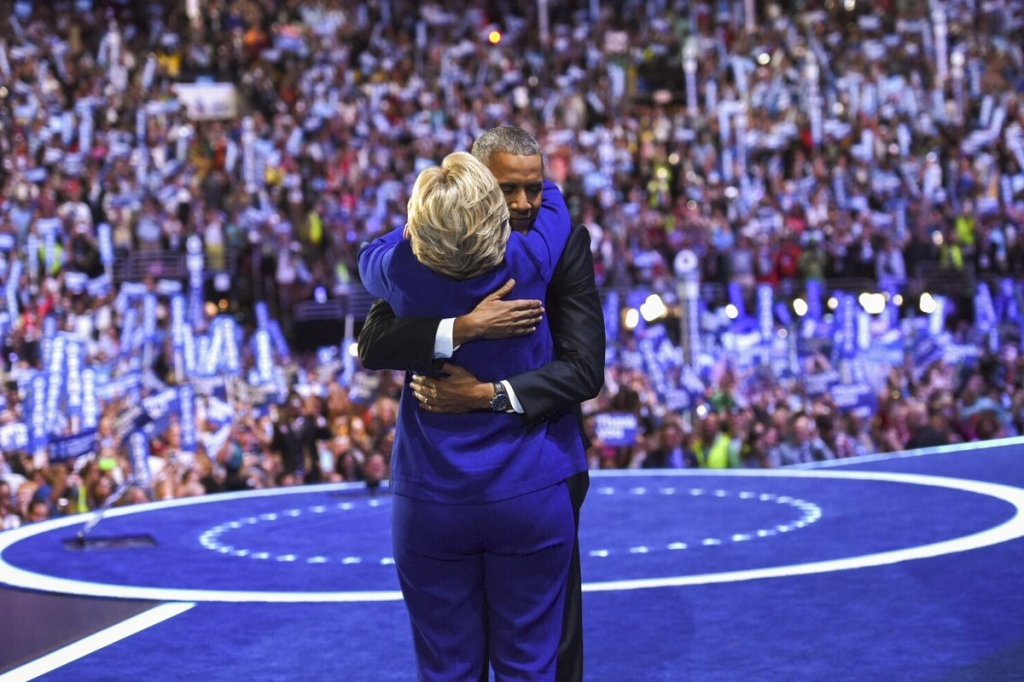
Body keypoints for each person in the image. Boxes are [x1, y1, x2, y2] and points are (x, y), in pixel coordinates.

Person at [358, 125, 604, 681]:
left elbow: (586, 370)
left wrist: (485, 391)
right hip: (531, 483)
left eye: (534, 190)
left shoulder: (404, 262)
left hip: (438, 490)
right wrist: (463, 326)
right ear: (477, 187)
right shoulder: (536, 253)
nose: (524, 203)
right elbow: (374, 345)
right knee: (531, 660)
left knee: (449, 665)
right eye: (506, 190)